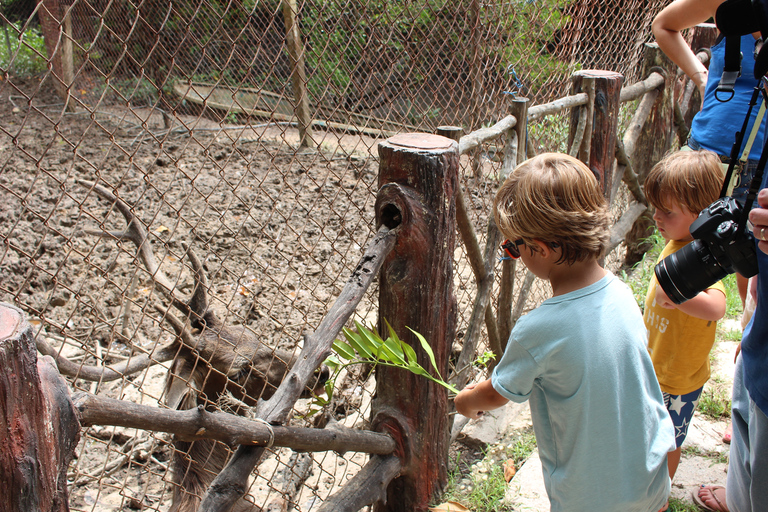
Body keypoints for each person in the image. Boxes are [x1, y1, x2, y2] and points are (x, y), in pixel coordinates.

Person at [454, 153, 675, 512]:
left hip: (591, 496)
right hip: (650, 475)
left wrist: (466, 401)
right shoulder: (620, 292)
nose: (511, 254)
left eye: (512, 248)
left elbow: (496, 395)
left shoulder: (539, 329)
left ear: (538, 249)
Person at [642, 150, 728, 485]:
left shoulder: (704, 257)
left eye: (667, 211)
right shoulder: (678, 240)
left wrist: (680, 297)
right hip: (656, 365)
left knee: (669, 441)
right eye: (655, 208)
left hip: (678, 379)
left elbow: (718, 307)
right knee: (649, 431)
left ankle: (659, 494)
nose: (656, 217)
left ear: (701, 214)